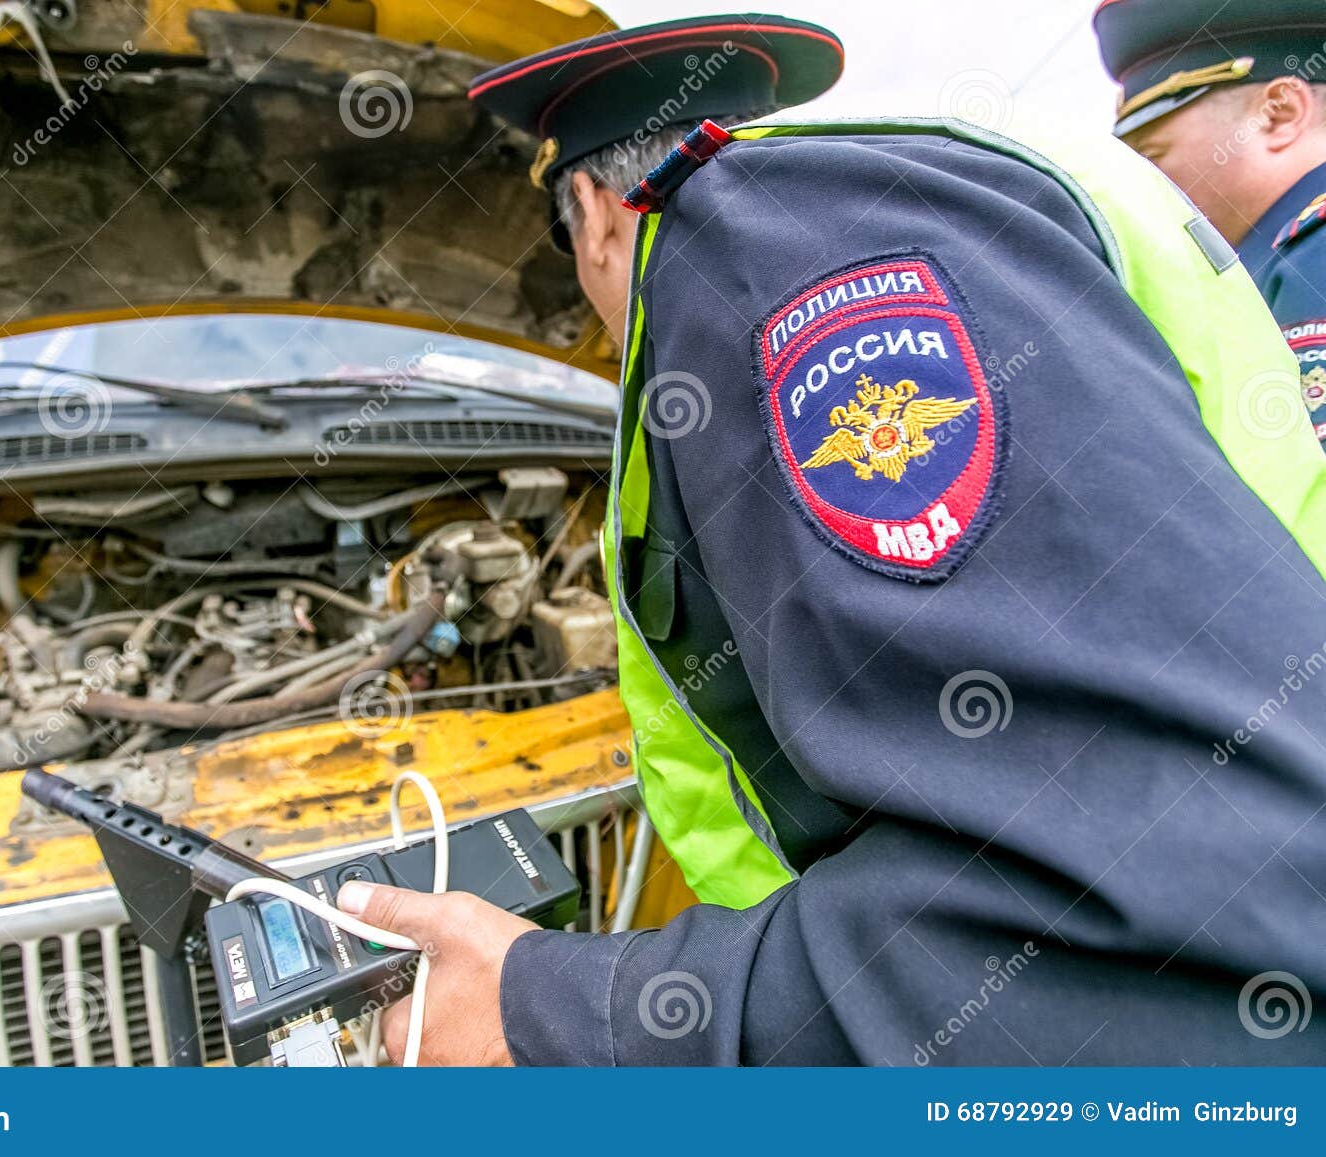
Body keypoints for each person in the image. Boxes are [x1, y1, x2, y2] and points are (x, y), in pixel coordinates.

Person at [330, 16, 1326, 1065]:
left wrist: (562, 1013)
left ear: (592, 211)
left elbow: (1129, 908)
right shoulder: (881, 206)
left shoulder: (776, 245)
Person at [1096, 0, 1326, 448]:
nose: (1141, 181)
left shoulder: (1312, 254)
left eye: (1152, 155)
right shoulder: (1272, 257)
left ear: (1279, 113)